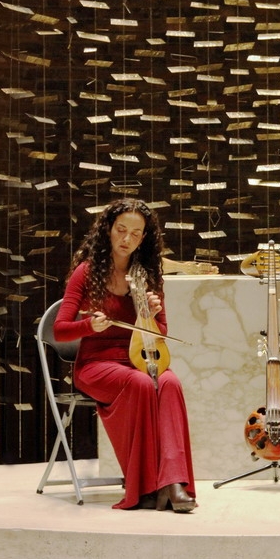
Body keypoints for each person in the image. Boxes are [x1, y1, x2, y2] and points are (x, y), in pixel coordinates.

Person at [54, 197, 196, 512]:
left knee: (170, 383)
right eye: (121, 230)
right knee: (141, 384)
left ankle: (174, 483)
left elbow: (159, 333)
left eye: (135, 233)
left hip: (139, 360)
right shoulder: (86, 272)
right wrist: (89, 326)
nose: (126, 239)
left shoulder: (148, 275)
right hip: (96, 364)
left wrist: (151, 315)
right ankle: (144, 489)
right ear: (108, 229)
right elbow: (60, 330)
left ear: (143, 238)